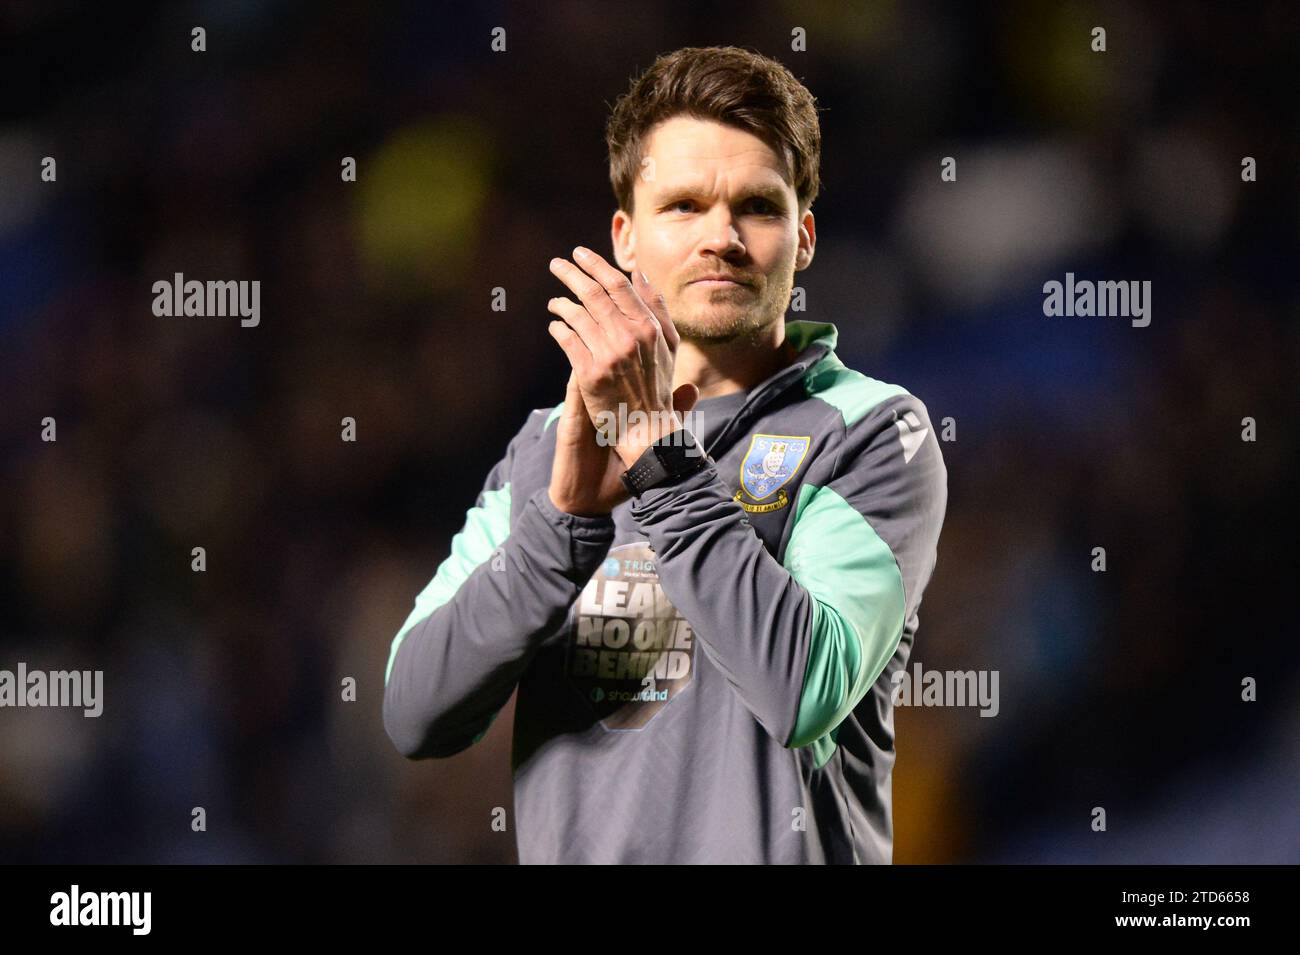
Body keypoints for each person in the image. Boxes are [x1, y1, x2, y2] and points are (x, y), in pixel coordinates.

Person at [382, 45, 948, 864]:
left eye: (757, 205)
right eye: (683, 206)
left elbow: (804, 685)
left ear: (807, 236)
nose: (721, 236)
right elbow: (412, 713)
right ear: (626, 238)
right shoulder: (545, 449)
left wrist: (659, 458)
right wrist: (559, 530)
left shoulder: (872, 431)